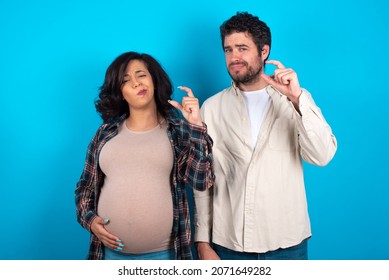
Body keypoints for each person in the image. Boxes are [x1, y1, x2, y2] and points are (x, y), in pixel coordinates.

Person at [194, 12, 337, 260]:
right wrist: (203, 243)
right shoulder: (211, 108)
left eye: (242, 48)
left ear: (264, 51)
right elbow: (203, 181)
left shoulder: (295, 100)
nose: (234, 57)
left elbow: (322, 156)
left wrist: (296, 99)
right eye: (228, 50)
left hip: (287, 245)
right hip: (228, 246)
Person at [75, 51, 214, 260]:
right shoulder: (104, 134)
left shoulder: (178, 131)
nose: (136, 83)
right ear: (121, 92)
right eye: (125, 80)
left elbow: (202, 181)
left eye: (141, 75)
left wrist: (195, 127)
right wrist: (91, 221)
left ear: (154, 81)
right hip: (108, 255)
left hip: (165, 256)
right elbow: (85, 188)